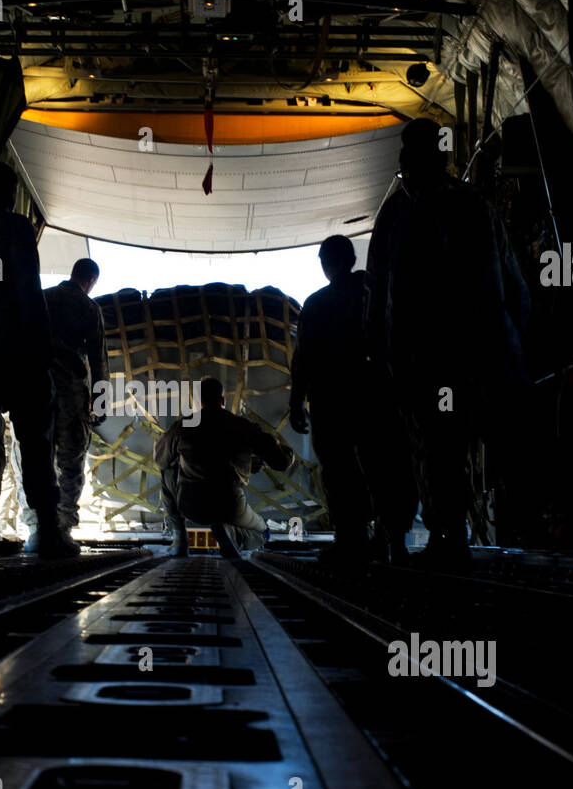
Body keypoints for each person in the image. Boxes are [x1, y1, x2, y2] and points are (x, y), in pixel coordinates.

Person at [367, 118, 530, 569]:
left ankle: (449, 536)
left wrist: (379, 355)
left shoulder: (398, 215)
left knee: (436, 449)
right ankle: (484, 535)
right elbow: (513, 283)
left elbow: (380, 295)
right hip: (478, 354)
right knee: (469, 445)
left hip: (428, 360)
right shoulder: (474, 205)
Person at [0, 162, 79, 559]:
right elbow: (28, 291)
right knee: (36, 443)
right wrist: (41, 351)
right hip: (19, 352)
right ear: (9, 193)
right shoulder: (19, 229)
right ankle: (49, 530)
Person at [289, 235, 416, 567]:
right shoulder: (372, 294)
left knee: (339, 473)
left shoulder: (316, 304)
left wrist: (295, 402)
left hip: (332, 403)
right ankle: (394, 540)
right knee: (384, 466)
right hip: (375, 397)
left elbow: (302, 359)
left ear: (326, 264)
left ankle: (351, 540)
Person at [153, 376, 293, 558]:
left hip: (191, 505)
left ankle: (180, 538)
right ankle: (233, 535)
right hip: (229, 506)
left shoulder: (183, 426)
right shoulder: (242, 426)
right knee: (263, 533)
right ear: (223, 400)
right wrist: (283, 449)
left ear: (198, 402)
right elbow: (281, 462)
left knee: (167, 471)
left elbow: (159, 460)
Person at [22, 258, 108, 551]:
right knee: (70, 462)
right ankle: (62, 531)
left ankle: (35, 529)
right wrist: (101, 402)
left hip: (35, 386)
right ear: (91, 280)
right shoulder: (89, 309)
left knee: (35, 456)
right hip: (70, 393)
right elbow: (98, 360)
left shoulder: (42, 299)